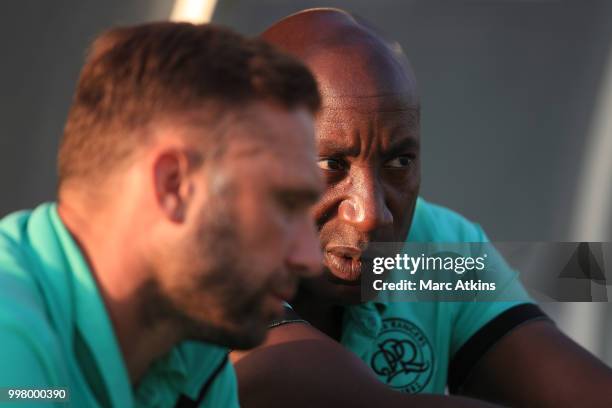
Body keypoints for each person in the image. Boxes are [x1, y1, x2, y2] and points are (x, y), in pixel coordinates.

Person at [231, 8, 612, 407]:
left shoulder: (436, 248)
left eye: (399, 163)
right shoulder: (202, 257)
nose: (371, 214)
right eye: (331, 164)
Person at [0, 21, 324, 407]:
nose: (310, 258)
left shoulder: (193, 342)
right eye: (284, 204)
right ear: (174, 185)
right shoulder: (10, 338)